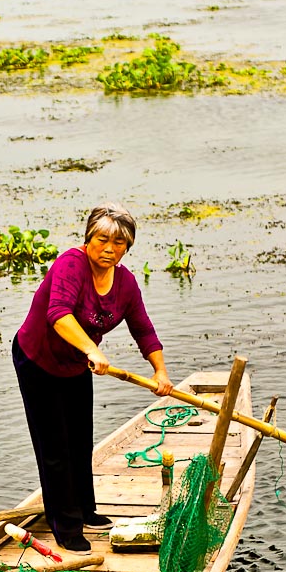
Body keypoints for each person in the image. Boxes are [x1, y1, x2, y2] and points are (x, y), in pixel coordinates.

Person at [13, 202, 172, 553]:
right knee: (55, 446)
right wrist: (93, 351)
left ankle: (85, 509)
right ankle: (65, 525)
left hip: (75, 362)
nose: (109, 249)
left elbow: (143, 329)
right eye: (102, 240)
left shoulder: (126, 283)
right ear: (88, 239)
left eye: (119, 244)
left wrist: (159, 371)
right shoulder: (71, 264)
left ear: (127, 247)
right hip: (37, 358)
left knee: (80, 439)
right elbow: (58, 314)